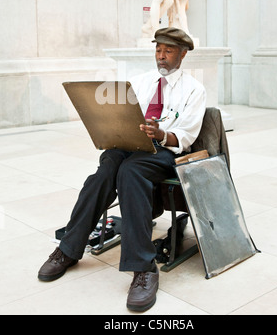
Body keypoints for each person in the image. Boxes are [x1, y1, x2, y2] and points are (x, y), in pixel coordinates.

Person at [38, 27, 206, 313]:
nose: (161, 56)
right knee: (105, 172)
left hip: (164, 152)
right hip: (128, 145)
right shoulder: (139, 83)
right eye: (158, 50)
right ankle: (68, 249)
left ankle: (144, 269)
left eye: (168, 51)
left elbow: (185, 138)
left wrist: (162, 133)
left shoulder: (194, 89)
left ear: (183, 54)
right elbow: (119, 115)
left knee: (131, 171)